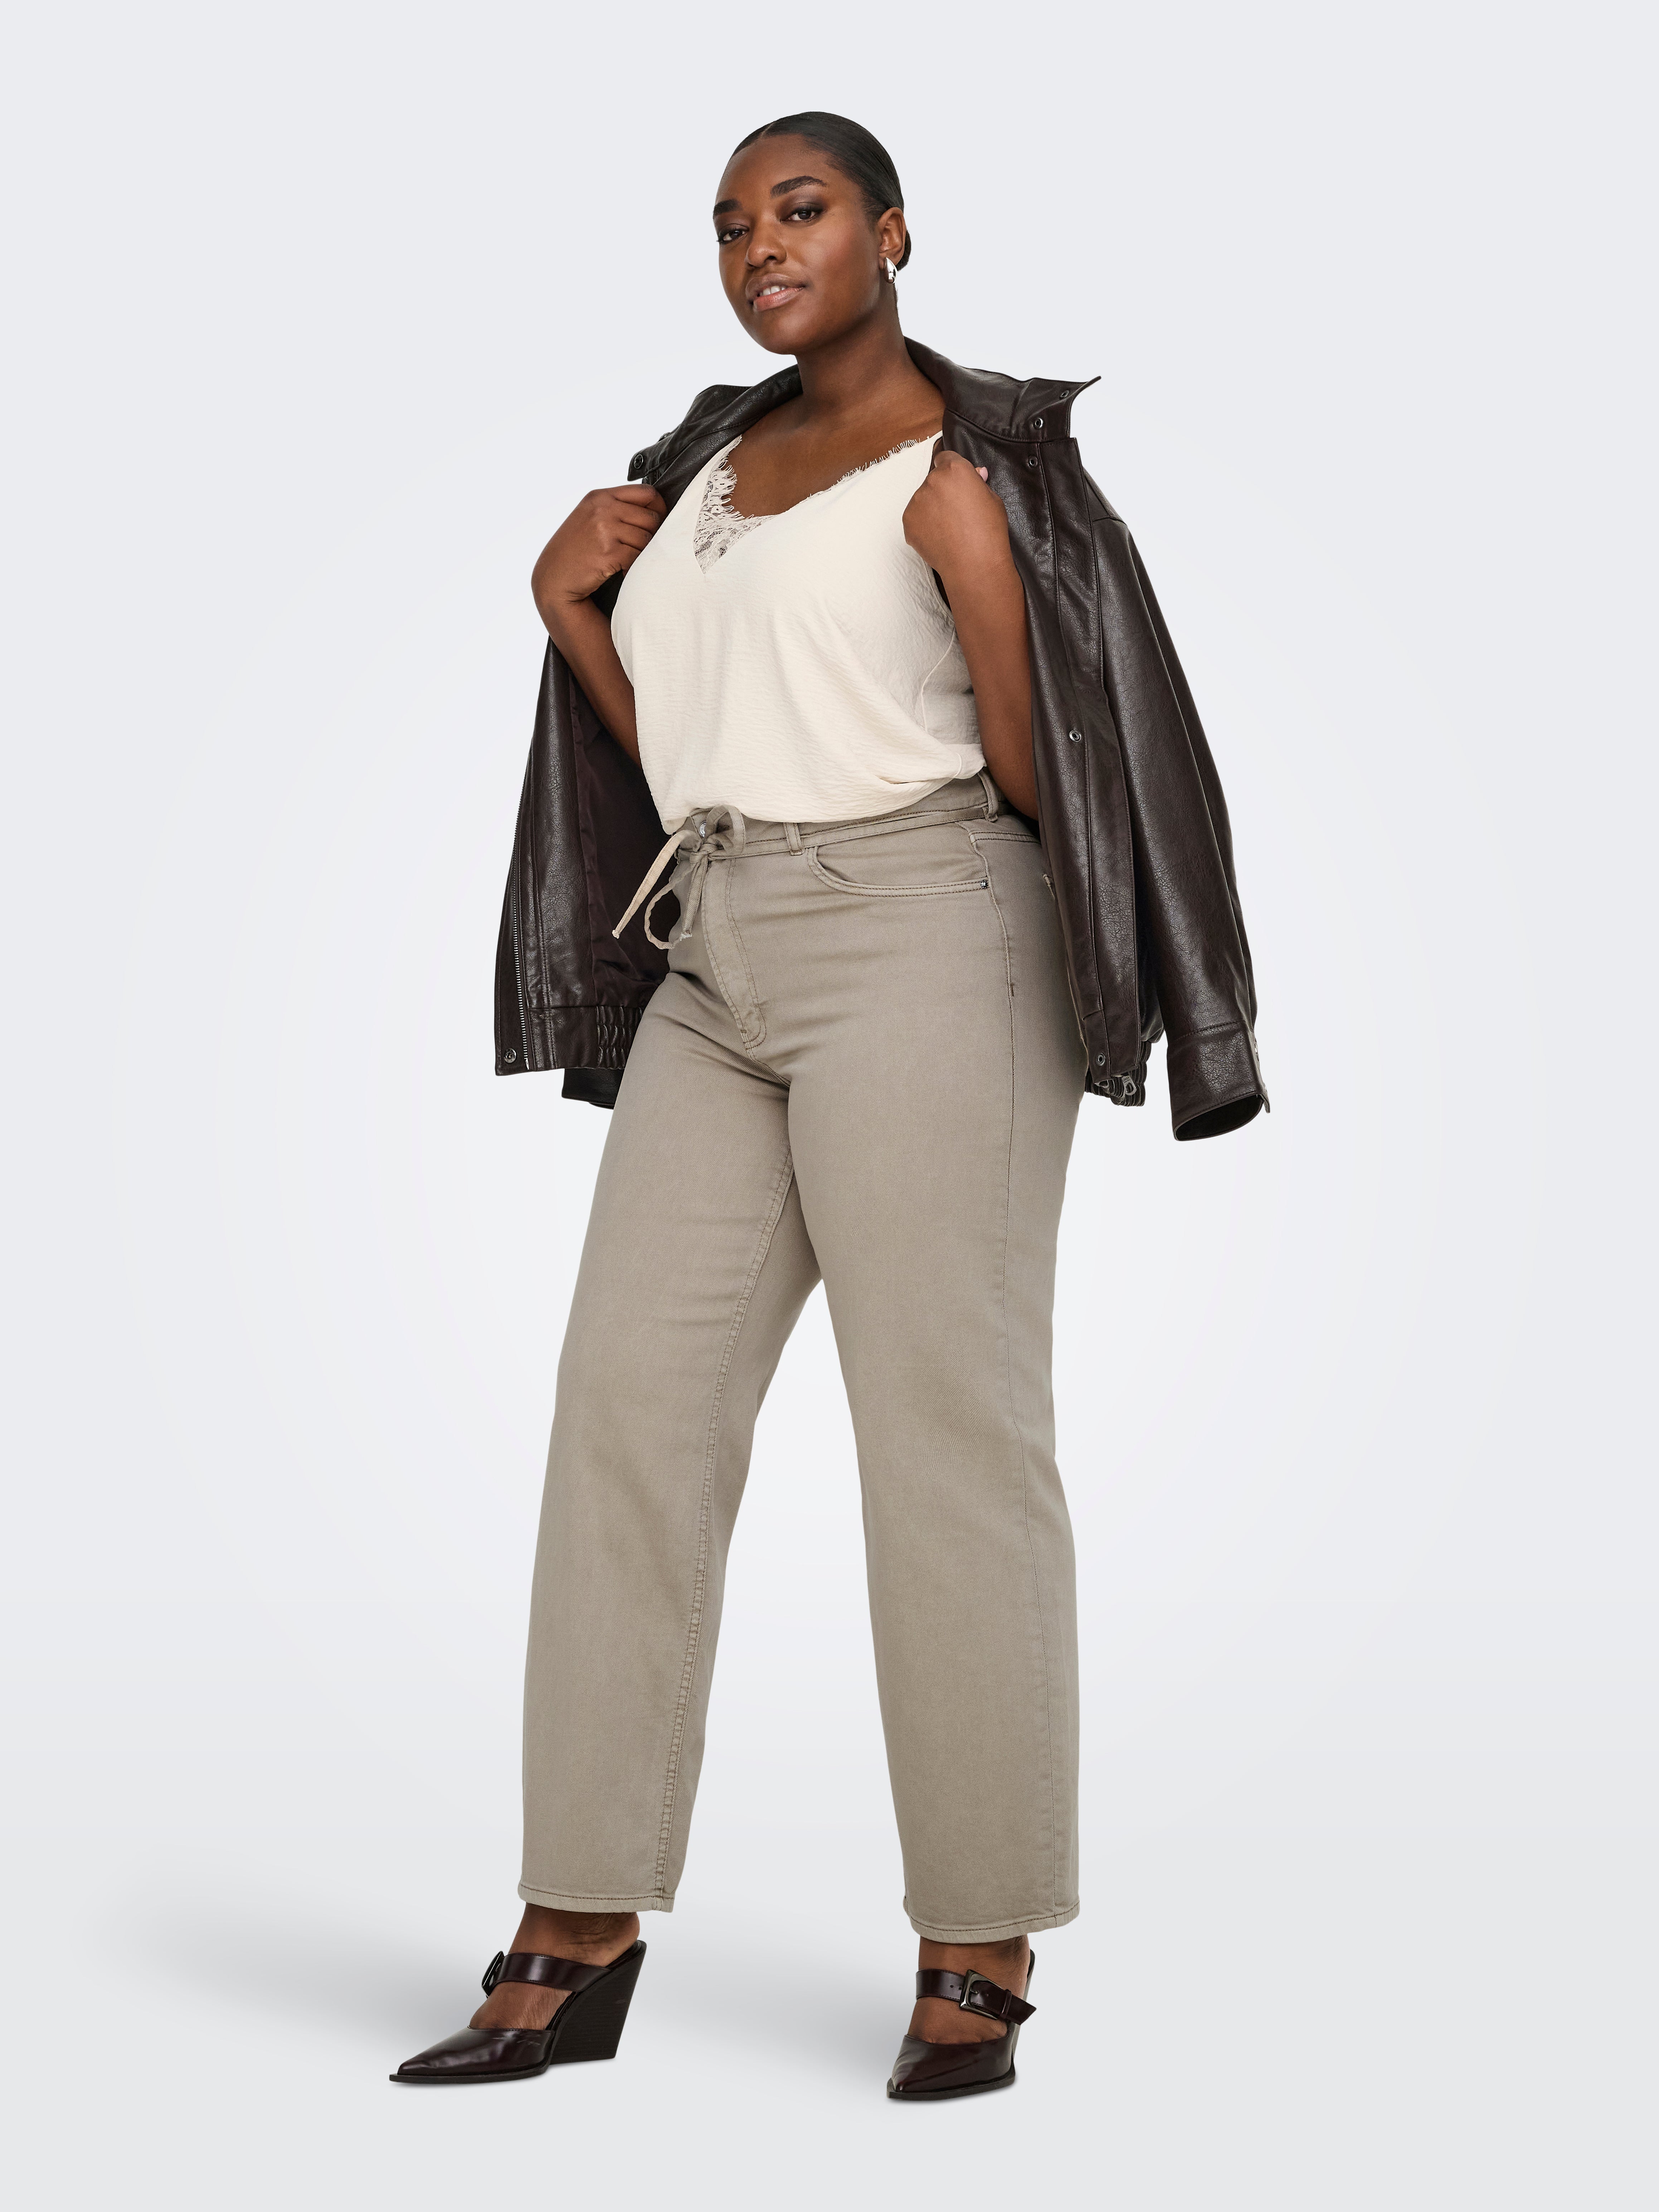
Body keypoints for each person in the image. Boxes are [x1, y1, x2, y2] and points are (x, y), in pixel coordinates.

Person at [394, 111, 1266, 2101]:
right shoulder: (702, 460)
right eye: (730, 225)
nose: (761, 248)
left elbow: (1057, 785)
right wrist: (570, 610)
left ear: (892, 232)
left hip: (932, 931)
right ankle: (580, 1918)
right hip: (720, 948)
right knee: (628, 1406)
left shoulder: (979, 467)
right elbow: (692, 750)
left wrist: (986, 580)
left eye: (800, 211)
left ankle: (981, 1935)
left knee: (943, 1426)